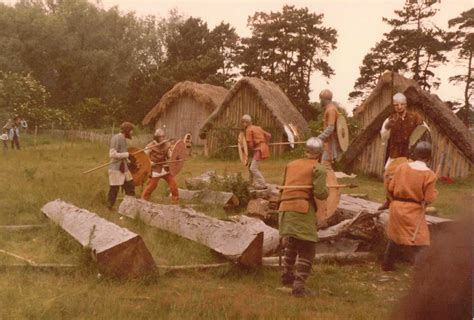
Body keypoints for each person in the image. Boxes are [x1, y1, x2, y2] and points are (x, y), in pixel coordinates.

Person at [278, 137, 329, 297]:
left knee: (293, 241)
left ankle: (287, 276)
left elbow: (284, 186)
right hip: (301, 209)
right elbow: (320, 193)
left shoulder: (291, 164)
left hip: (285, 208)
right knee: (307, 247)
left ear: (305, 151)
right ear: (320, 154)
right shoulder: (318, 169)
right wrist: (327, 190)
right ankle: (298, 287)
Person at [381, 142, 438, 272]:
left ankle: (387, 264)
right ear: (429, 158)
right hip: (413, 210)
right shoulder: (429, 175)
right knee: (421, 240)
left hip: (396, 207)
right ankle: (422, 270)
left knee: (395, 236)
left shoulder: (402, 168)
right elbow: (429, 199)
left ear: (415, 154)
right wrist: (435, 193)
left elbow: (391, 187)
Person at [378, 92, 426, 210]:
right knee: (388, 174)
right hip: (395, 150)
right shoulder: (390, 119)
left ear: (406, 105)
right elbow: (383, 137)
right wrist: (388, 127)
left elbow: (425, 130)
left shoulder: (416, 117)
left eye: (401, 104)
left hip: (411, 151)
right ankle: (389, 200)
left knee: (412, 176)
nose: (399, 107)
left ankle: (412, 202)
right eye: (396, 105)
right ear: (394, 106)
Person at [142, 128, 179, 203]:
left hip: (165, 168)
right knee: (151, 186)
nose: (163, 138)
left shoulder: (166, 145)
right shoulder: (150, 146)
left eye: (164, 136)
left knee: (173, 185)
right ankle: (143, 201)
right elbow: (143, 156)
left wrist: (174, 156)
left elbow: (170, 155)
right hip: (156, 169)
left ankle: (175, 201)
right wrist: (150, 162)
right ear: (157, 137)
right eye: (161, 137)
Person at [107, 122, 136, 210]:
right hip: (116, 168)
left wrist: (129, 160)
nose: (132, 133)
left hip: (124, 168)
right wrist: (127, 154)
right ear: (127, 131)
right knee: (114, 189)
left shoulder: (123, 139)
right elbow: (112, 154)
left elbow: (122, 153)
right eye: (131, 131)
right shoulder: (116, 138)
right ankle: (109, 207)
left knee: (130, 186)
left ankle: (130, 207)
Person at [241, 114, 271, 189]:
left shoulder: (248, 130)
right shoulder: (258, 127)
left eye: (243, 122)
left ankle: (263, 184)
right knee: (251, 166)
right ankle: (251, 182)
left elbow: (250, 144)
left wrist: (244, 147)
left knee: (253, 168)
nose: (243, 124)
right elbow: (269, 135)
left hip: (259, 150)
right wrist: (264, 142)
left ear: (246, 122)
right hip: (263, 148)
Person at [317, 89, 340, 165]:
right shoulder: (330, 109)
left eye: (321, 99)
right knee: (324, 165)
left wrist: (318, 138)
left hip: (330, 142)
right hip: (327, 142)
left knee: (325, 165)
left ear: (324, 100)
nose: (320, 101)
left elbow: (330, 128)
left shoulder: (331, 110)